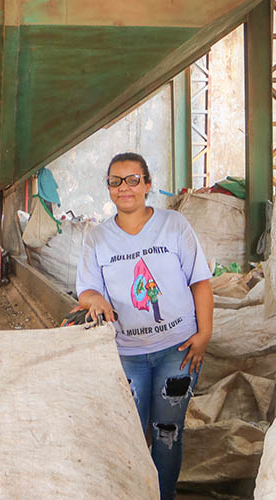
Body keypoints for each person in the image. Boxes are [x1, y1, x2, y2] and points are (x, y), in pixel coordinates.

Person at [76, 152, 213, 500]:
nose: (124, 188)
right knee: (129, 436)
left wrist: (204, 334)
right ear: (108, 188)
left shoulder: (174, 226)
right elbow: (87, 290)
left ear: (148, 184)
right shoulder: (98, 238)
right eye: (115, 181)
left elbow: (200, 281)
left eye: (133, 180)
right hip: (126, 356)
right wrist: (96, 301)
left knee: (167, 433)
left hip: (177, 352)